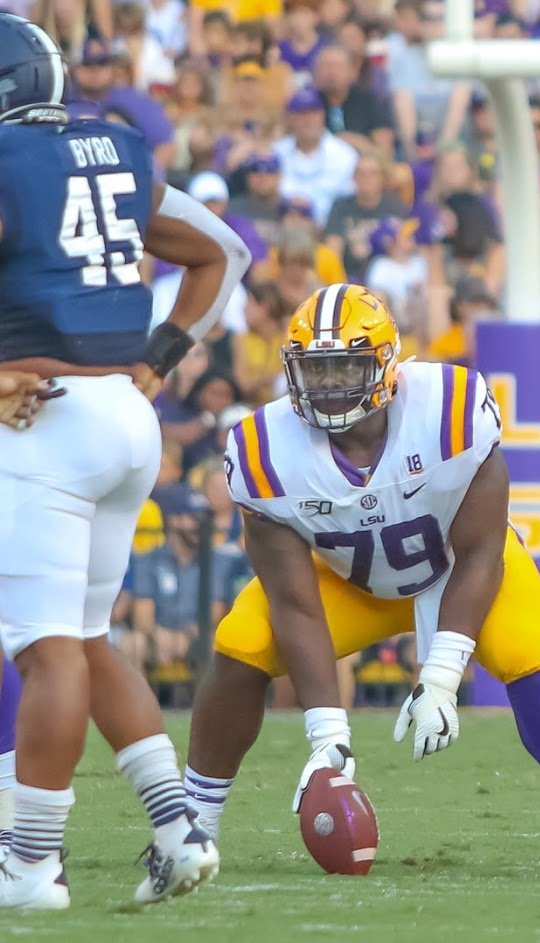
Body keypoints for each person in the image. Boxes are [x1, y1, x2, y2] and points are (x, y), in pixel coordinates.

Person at [181, 284, 540, 881]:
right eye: (315, 371)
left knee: (526, 649)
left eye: (346, 366)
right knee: (241, 642)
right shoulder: (266, 451)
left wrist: (441, 676)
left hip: (456, 567)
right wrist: (327, 737)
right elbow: (294, 604)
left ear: (388, 363)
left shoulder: (452, 409)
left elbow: (481, 553)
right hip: (347, 580)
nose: (330, 385)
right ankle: (193, 824)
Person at [0, 11, 251, 910]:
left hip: (48, 421)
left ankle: (28, 865)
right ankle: (180, 829)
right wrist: (155, 360)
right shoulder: (113, 143)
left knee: (46, 650)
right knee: (90, 637)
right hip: (122, 412)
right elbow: (223, 253)